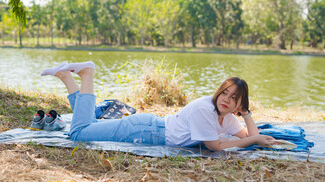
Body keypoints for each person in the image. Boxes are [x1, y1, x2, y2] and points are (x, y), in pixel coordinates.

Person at [40, 61, 276, 151]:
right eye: (224, 92)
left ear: (238, 104)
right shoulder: (206, 109)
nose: (226, 99)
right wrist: (253, 140)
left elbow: (249, 136)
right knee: (79, 134)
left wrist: (247, 115)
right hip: (144, 131)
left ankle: (67, 79)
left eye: (234, 98)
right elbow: (215, 146)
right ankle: (87, 74)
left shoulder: (227, 116)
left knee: (87, 125)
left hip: (149, 128)